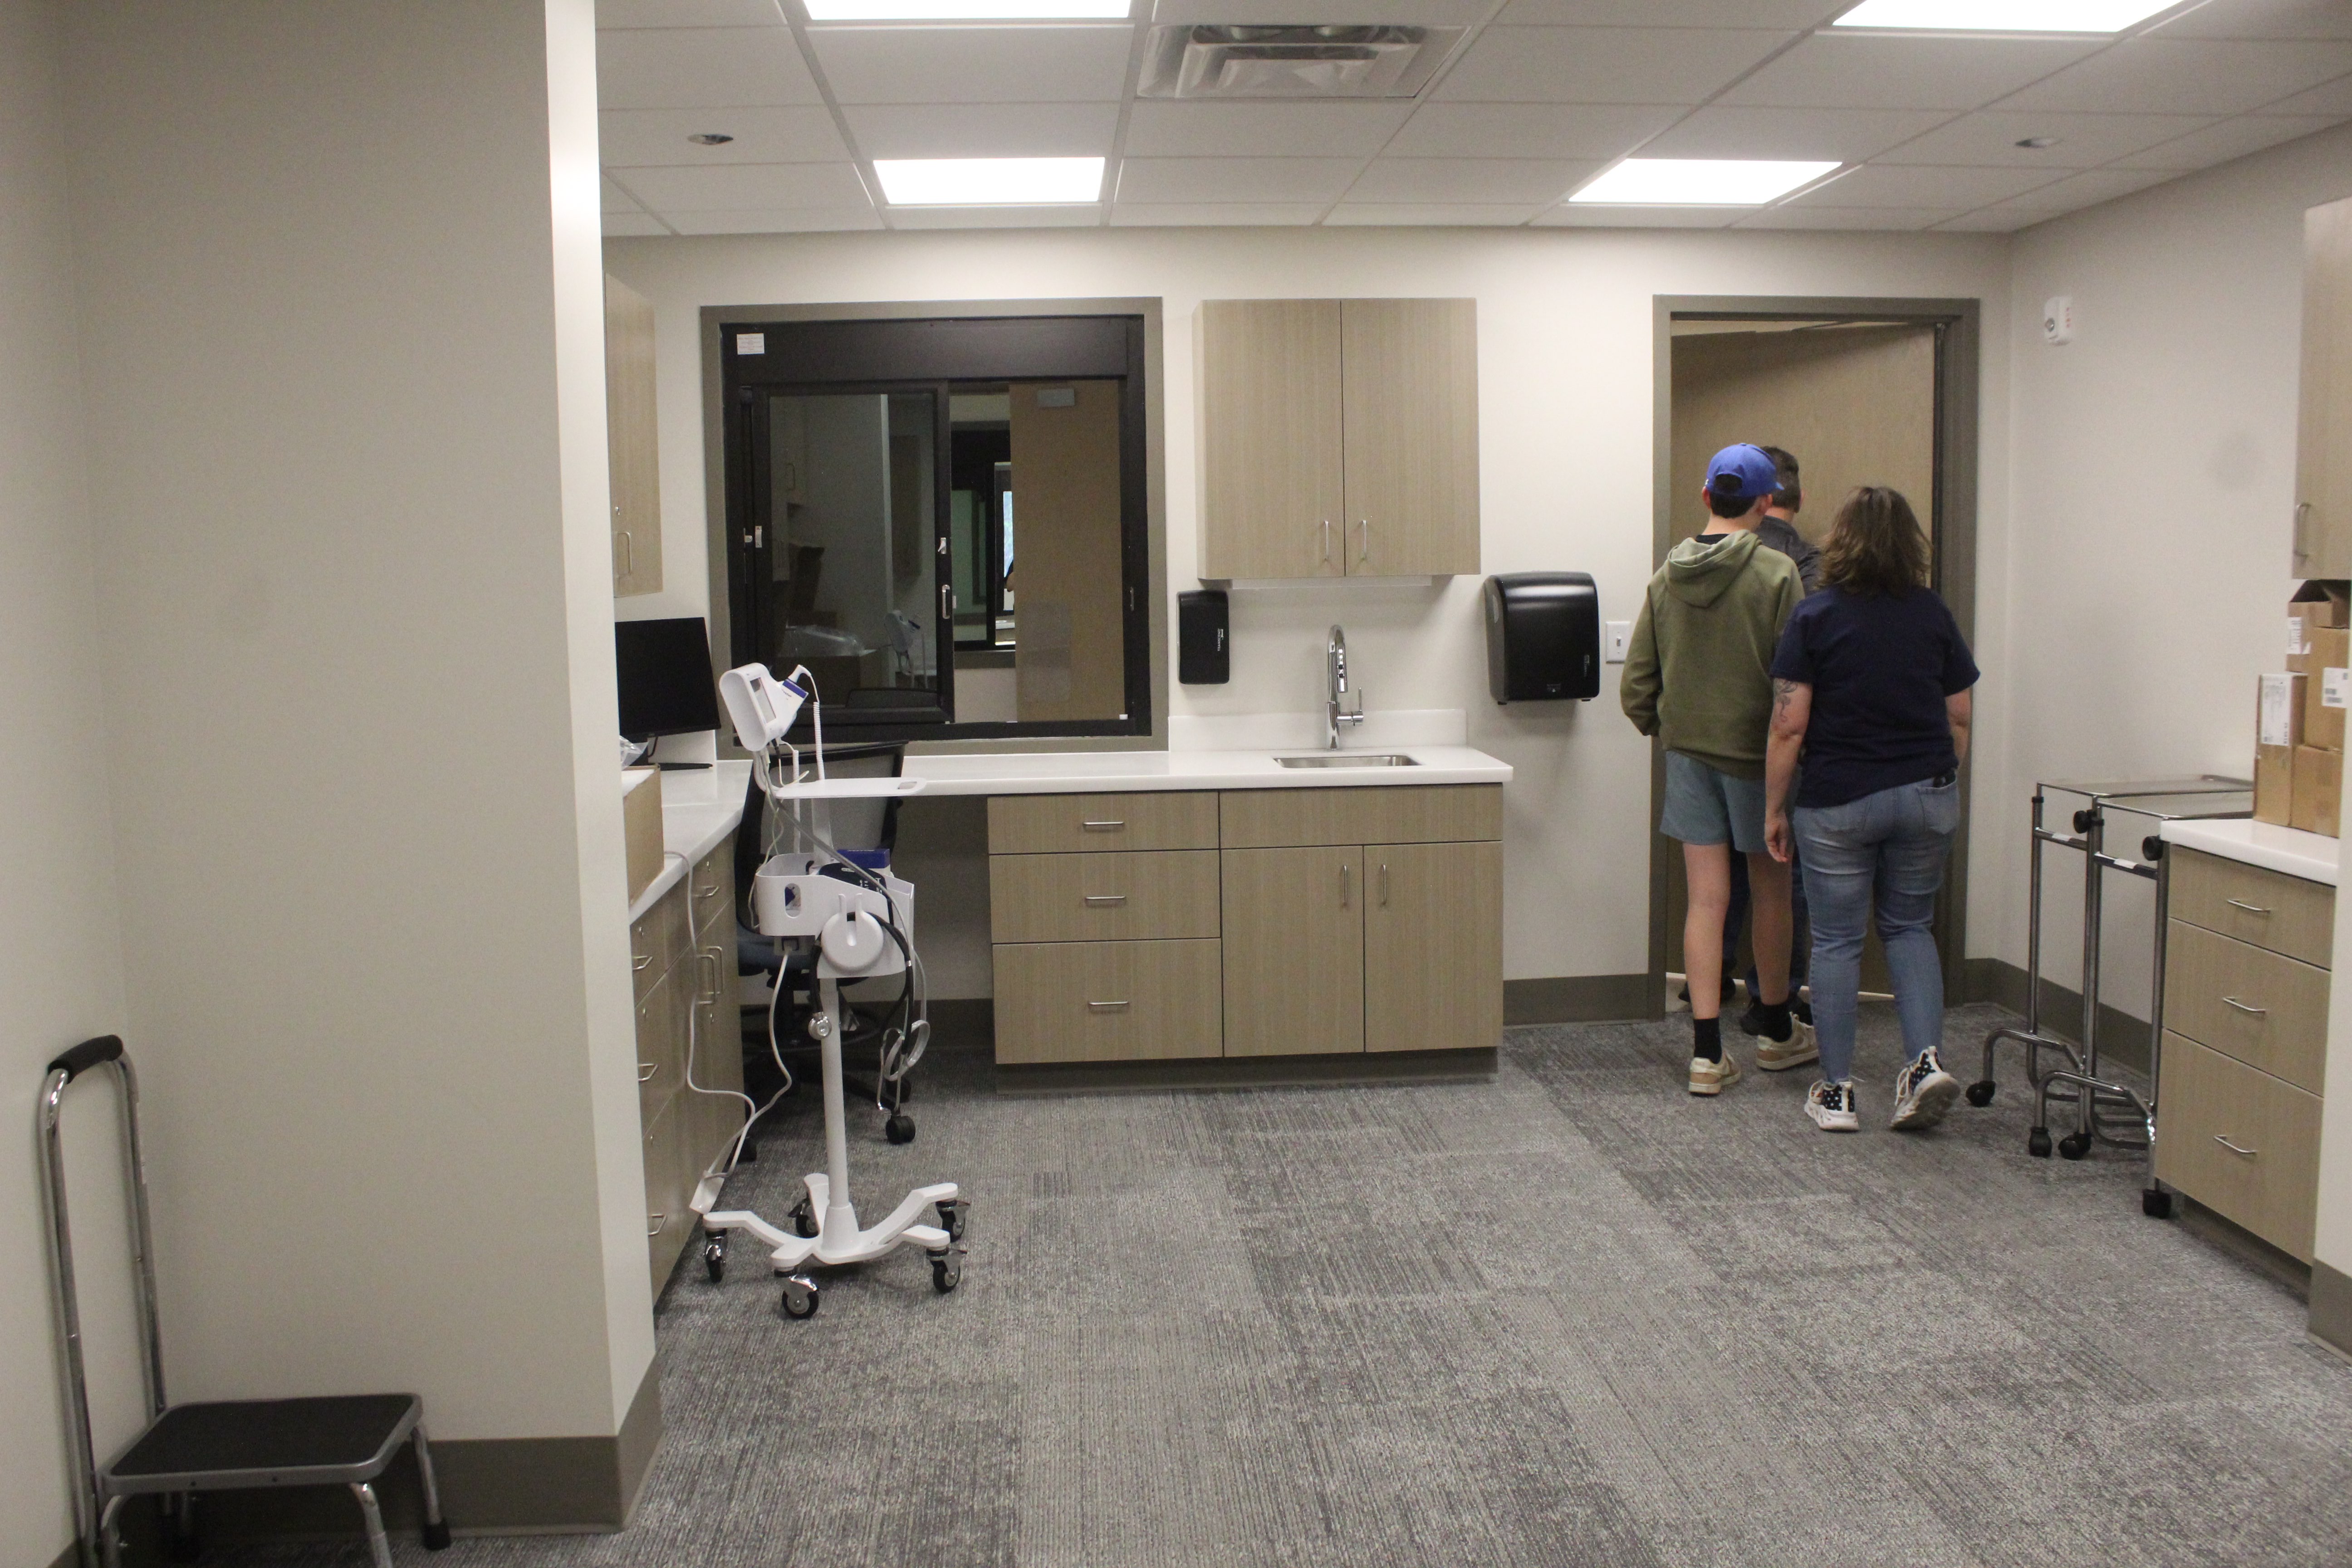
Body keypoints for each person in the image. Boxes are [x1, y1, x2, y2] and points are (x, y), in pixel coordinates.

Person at [1763, 485, 1978, 1133]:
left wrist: (1776, 808)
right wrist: (1937, 781)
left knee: (1836, 939)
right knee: (1911, 929)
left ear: (1842, 540)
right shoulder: (1932, 614)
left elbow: (1789, 727)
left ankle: (1836, 1092)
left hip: (1839, 801)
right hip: (1925, 793)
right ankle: (1922, 1064)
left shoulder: (1817, 617)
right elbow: (1960, 714)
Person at [1622, 444, 1813, 1097]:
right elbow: (1797, 681)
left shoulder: (1665, 576)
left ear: (1706, 497)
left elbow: (1636, 688)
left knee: (1707, 900)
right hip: (1760, 762)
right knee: (1772, 893)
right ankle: (1778, 1033)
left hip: (1690, 756)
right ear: (1766, 503)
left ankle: (1706, 1054)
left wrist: (1673, 729)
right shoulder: (1779, 574)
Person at [1723, 446, 1819, 1043]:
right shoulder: (1816, 568)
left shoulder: (1721, 558)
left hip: (1721, 736)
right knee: (1785, 875)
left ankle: (1708, 981)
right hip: (1791, 737)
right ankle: (1773, 996)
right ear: (1796, 498)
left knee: (1720, 871)